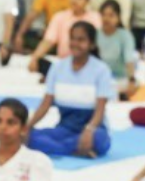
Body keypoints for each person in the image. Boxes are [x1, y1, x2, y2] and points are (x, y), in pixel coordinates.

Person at [24, 21, 115, 158]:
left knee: (99, 140)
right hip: (64, 129)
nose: (75, 43)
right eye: (72, 38)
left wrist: (89, 130)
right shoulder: (57, 67)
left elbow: (100, 111)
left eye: (81, 40)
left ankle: (60, 148)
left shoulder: (101, 70)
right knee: (29, 137)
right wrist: (28, 126)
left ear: (91, 44)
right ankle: (74, 149)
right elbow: (46, 104)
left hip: (93, 128)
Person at [27, 0, 100, 73]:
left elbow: (99, 43)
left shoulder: (95, 17)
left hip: (88, 64)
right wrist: (35, 58)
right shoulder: (60, 17)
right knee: (41, 63)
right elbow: (48, 40)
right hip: (64, 63)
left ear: (87, 0)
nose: (74, 0)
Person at [94, 0, 140, 93]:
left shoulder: (125, 35)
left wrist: (131, 80)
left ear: (118, 18)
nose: (106, 19)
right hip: (98, 79)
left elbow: (129, 60)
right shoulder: (95, 34)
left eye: (111, 15)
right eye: (104, 15)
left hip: (120, 79)